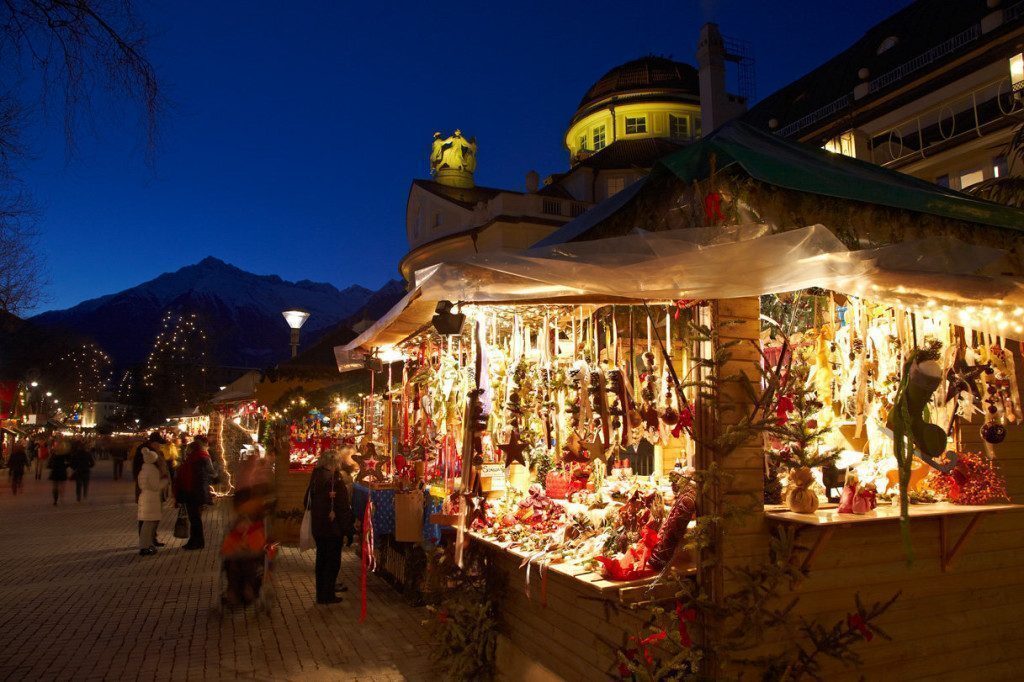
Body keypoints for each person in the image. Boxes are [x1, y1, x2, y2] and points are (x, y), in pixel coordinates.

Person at [303, 450, 353, 605]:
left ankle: (321, 592)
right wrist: (348, 530)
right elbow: (342, 507)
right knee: (332, 562)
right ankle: (327, 594)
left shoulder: (316, 477)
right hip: (333, 528)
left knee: (321, 560)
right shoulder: (335, 480)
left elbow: (306, 501)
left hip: (319, 526)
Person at [174, 435, 215, 550]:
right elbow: (210, 473)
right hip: (198, 492)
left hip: (193, 492)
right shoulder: (202, 457)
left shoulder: (194, 459)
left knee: (195, 519)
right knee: (195, 519)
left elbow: (189, 477)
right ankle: (195, 541)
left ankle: (197, 542)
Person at [133, 432, 169, 544]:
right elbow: (139, 471)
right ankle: (146, 540)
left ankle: (152, 538)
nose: (159, 446)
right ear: (153, 443)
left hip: (156, 490)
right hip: (149, 489)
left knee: (154, 516)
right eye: (158, 444)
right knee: (146, 516)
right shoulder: (146, 453)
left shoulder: (157, 453)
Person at [137, 446, 165, 556]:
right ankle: (145, 546)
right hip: (151, 498)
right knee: (149, 524)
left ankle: (146, 545)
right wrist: (164, 482)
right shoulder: (152, 470)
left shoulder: (143, 469)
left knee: (146, 523)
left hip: (144, 497)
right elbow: (155, 486)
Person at [47, 441, 70, 506]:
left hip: (56, 470)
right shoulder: (64, 454)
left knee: (55, 486)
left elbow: (50, 462)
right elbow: (68, 462)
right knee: (61, 485)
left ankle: (56, 499)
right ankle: (60, 497)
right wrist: (66, 466)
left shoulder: (53, 453)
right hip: (61, 470)